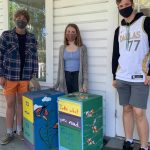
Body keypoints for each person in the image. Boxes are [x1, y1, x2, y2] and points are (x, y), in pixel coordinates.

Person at [112, 0, 150, 150]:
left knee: (139, 112)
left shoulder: (145, 22)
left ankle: (144, 147)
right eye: (120, 6)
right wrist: (114, 75)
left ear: (132, 5)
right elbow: (115, 54)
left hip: (140, 76)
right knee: (126, 109)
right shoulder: (118, 30)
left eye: (126, 4)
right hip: (122, 77)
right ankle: (128, 141)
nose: (123, 8)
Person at [0, 9, 38, 145]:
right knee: (10, 105)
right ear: (14, 19)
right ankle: (9, 133)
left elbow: (35, 58)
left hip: (25, 77)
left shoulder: (32, 38)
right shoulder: (6, 36)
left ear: (27, 21)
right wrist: (1, 75)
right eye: (18, 17)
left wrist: (34, 76)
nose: (21, 20)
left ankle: (20, 130)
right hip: (10, 76)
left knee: (21, 104)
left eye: (24, 18)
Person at [54, 23, 88, 93]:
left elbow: (85, 68)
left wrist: (85, 84)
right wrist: (57, 84)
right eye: (68, 32)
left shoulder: (82, 48)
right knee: (66, 100)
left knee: (77, 100)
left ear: (76, 34)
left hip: (78, 77)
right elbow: (60, 67)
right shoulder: (62, 48)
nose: (70, 34)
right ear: (65, 33)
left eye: (73, 32)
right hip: (66, 77)